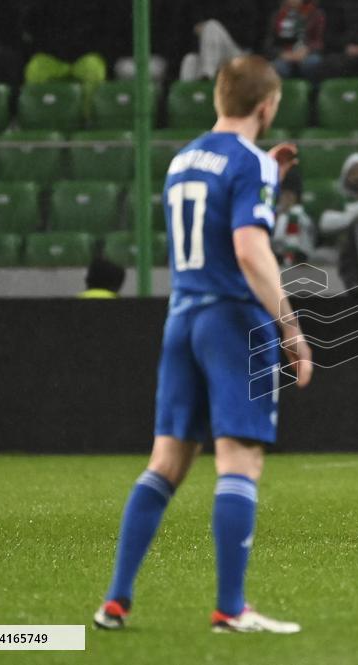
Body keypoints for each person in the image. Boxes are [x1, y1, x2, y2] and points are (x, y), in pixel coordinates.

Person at [93, 55, 313, 634]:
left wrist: (264, 169)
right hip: (233, 320)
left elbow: (215, 213)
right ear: (267, 107)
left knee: (166, 461)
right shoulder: (251, 164)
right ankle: (230, 609)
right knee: (240, 459)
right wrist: (290, 324)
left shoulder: (183, 158)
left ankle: (115, 600)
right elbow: (247, 249)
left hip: (182, 316)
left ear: (219, 98)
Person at [265, 0, 325, 80]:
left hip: (308, 54)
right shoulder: (277, 16)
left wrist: (307, 50)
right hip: (285, 55)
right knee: (277, 67)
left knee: (312, 63)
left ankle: (314, 91)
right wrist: (282, 53)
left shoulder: (316, 14)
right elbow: (269, 44)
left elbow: (320, 40)